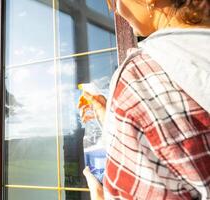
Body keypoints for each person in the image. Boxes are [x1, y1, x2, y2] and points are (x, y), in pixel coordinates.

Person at [78, 0, 210, 199]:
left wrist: (101, 196)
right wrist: (115, 122)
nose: (114, 9)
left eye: (114, 0)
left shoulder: (138, 78)